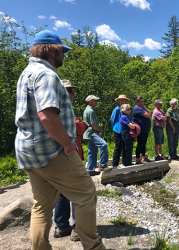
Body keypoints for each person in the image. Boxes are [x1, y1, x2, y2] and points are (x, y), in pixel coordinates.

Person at [14, 30, 105, 250]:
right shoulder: (46, 74)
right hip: (51, 150)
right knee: (85, 194)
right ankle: (93, 246)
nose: (64, 55)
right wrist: (67, 145)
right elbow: (47, 115)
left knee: (41, 206)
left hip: (28, 151)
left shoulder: (26, 73)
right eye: (62, 51)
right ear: (51, 50)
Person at [53, 79, 87, 242]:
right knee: (77, 192)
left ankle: (61, 226)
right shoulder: (63, 108)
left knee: (62, 192)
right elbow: (79, 127)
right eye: (70, 90)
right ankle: (77, 229)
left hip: (57, 158)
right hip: (69, 156)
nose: (73, 94)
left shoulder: (50, 108)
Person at [83, 95, 113, 175]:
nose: (97, 102)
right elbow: (93, 125)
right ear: (90, 101)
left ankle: (90, 170)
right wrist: (100, 130)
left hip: (89, 133)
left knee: (92, 151)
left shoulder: (88, 110)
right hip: (92, 133)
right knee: (103, 144)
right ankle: (102, 165)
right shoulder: (90, 111)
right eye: (95, 100)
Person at [110, 95, 129, 167]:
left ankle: (125, 162)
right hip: (118, 130)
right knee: (118, 147)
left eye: (123, 100)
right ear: (119, 101)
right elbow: (112, 119)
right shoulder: (116, 109)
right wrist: (115, 127)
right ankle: (115, 164)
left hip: (125, 130)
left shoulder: (126, 109)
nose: (122, 101)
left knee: (125, 146)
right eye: (121, 100)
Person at [132, 96, 152, 164]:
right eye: (141, 102)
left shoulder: (141, 108)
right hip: (140, 130)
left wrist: (144, 107)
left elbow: (150, 113)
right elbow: (148, 115)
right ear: (137, 102)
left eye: (143, 101)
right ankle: (138, 159)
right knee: (140, 144)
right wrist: (144, 108)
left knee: (144, 144)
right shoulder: (137, 108)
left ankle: (143, 157)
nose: (142, 103)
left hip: (145, 130)